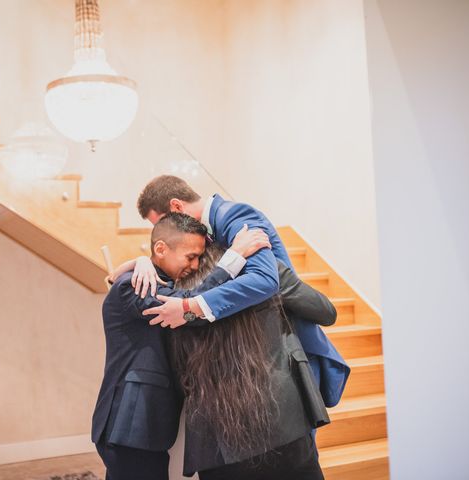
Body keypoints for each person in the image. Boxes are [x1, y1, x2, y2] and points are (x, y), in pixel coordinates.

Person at [136, 175, 349, 407]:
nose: (164, 231)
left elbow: (265, 280)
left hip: (288, 352)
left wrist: (192, 307)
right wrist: (141, 261)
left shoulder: (236, 216)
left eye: (163, 222)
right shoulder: (204, 233)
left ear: (177, 206)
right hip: (253, 356)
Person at [91, 213, 271, 480]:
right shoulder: (134, 284)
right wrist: (233, 258)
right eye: (190, 257)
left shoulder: (157, 280)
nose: (196, 265)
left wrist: (139, 260)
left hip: (143, 426)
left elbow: (186, 310)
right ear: (161, 249)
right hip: (129, 422)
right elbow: (188, 307)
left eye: (200, 257)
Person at [170, 244, 336, 479]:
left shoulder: (181, 290)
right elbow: (326, 312)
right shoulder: (264, 272)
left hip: (217, 440)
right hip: (283, 422)